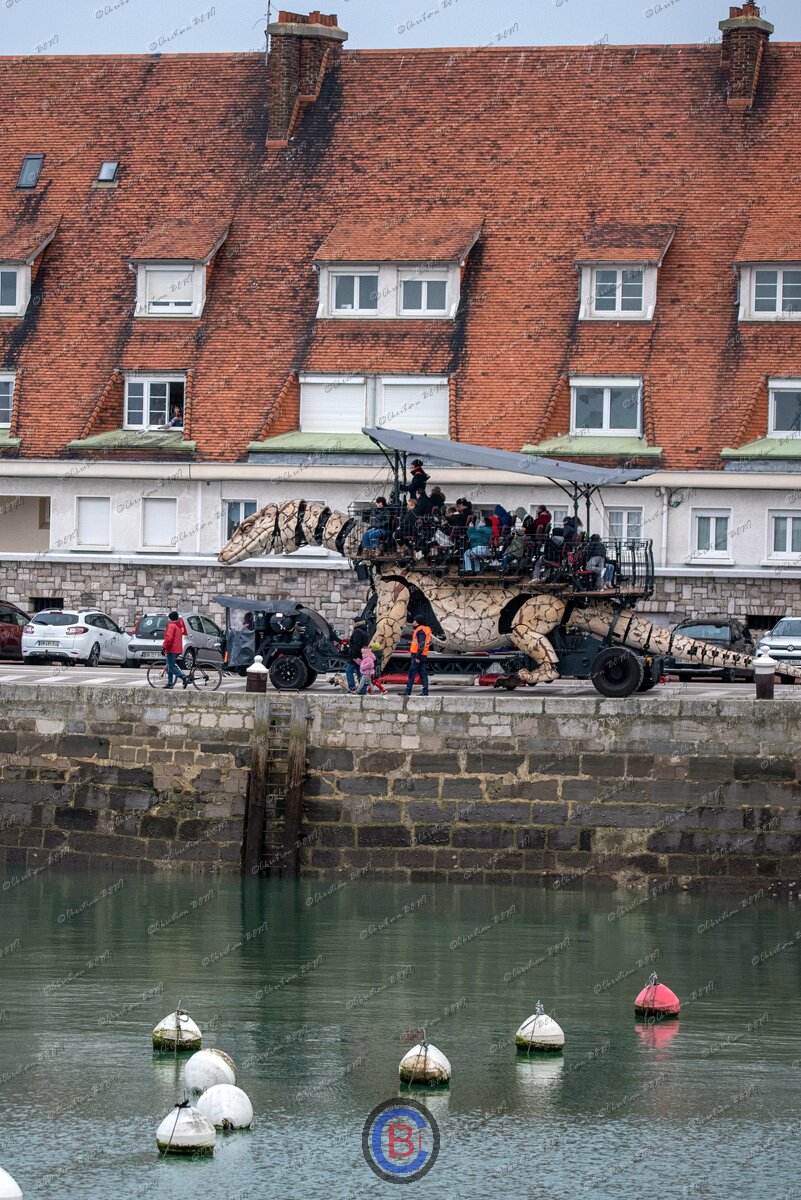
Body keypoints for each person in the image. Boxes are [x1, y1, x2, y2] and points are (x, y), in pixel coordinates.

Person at [404, 618, 432, 697]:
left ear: (418, 622)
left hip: (417, 655)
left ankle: (408, 691)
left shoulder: (420, 630)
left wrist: (417, 656)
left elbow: (421, 644)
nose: (413, 622)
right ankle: (425, 692)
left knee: (412, 673)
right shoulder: (426, 629)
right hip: (423, 654)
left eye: (414, 621)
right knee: (423, 674)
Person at [162, 610, 189, 689]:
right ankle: (170, 683)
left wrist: (164, 647)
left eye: (168, 618)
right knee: (169, 666)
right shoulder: (178, 626)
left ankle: (183, 677)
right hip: (177, 648)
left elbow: (169, 638)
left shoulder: (171, 626)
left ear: (170, 618)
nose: (168, 619)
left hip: (172, 649)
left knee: (171, 666)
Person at [345, 618, 369, 693]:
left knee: (348, 670)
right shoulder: (364, 631)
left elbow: (356, 646)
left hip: (355, 657)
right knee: (360, 672)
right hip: (362, 655)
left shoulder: (357, 632)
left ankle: (352, 687)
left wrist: (354, 657)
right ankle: (363, 690)